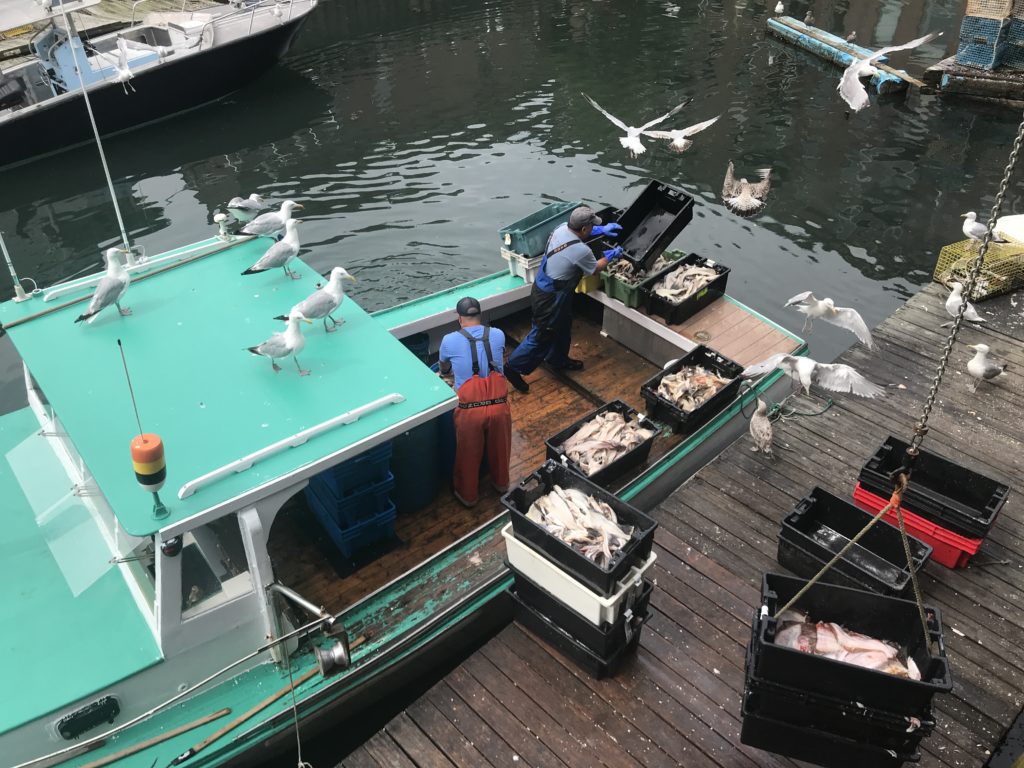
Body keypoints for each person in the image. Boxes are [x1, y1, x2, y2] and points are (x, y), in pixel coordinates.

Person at [503, 205, 623, 393]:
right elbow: (595, 269)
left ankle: (557, 360)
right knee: (541, 335)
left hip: (547, 287)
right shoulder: (580, 251)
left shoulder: (560, 228)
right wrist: (611, 256)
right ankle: (512, 367)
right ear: (583, 229)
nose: (593, 229)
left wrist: (603, 229)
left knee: (563, 324)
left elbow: (585, 235)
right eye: (592, 227)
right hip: (550, 299)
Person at [438, 297, 512, 507]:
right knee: (500, 448)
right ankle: (501, 484)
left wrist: (447, 372)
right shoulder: (498, 334)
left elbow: (443, 367)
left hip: (469, 410)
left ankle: (467, 496)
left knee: (467, 455)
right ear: (479, 315)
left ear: (460, 319)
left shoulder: (448, 340)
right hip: (499, 405)